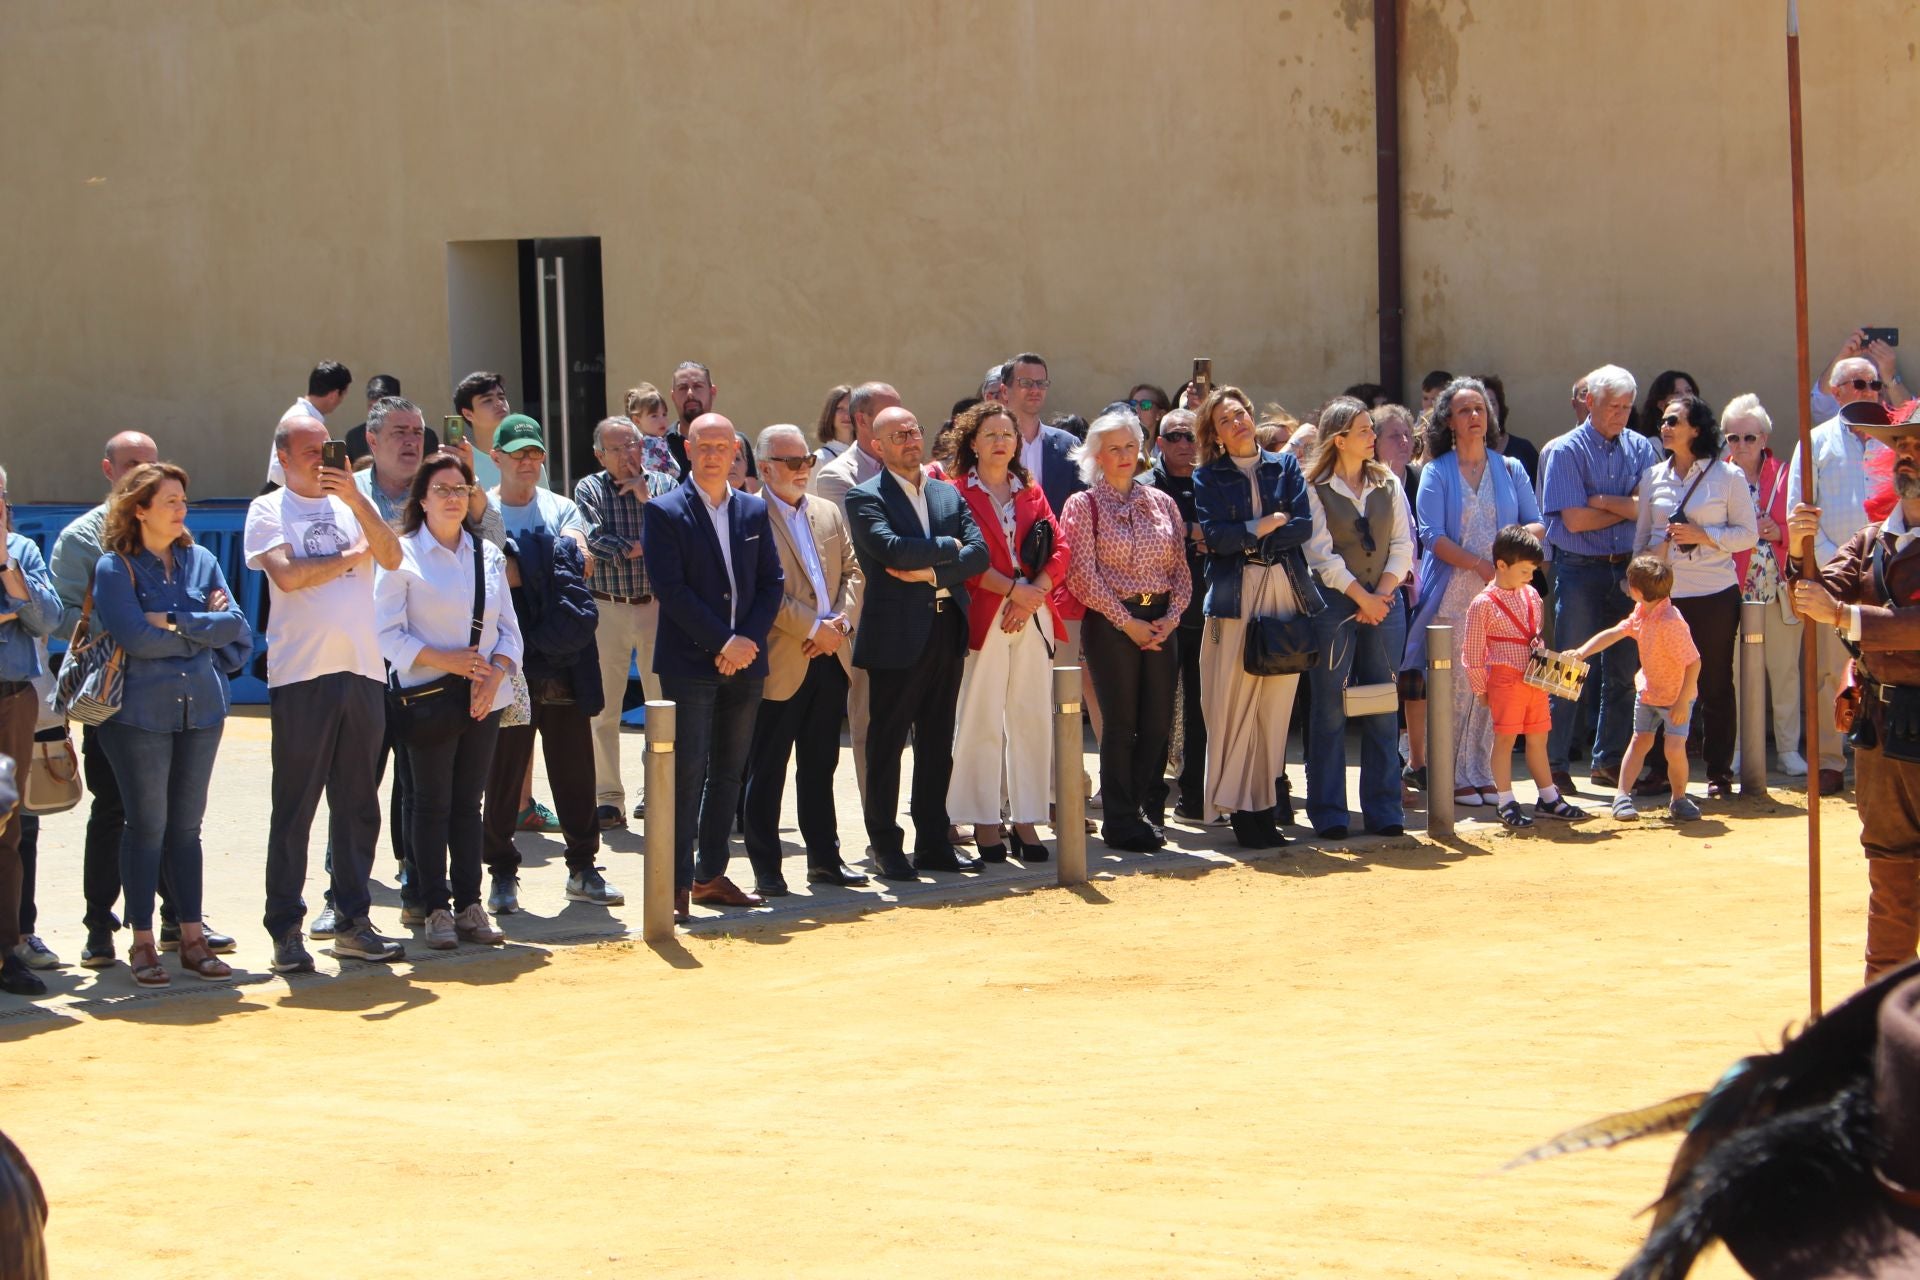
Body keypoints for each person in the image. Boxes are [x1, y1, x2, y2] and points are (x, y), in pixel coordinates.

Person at [246, 415, 409, 972]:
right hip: (302, 676)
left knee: (359, 806)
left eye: (328, 448)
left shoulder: (352, 505)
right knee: (295, 809)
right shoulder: (268, 509)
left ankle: (353, 922)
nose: (323, 459)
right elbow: (289, 576)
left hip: (362, 669)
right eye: (310, 451)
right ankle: (285, 929)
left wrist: (358, 504)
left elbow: (391, 556)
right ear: (283, 458)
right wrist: (351, 554)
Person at [47, 430, 212, 969]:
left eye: (151, 464)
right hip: (115, 692)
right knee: (116, 808)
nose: (143, 472)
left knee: (173, 813)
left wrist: (172, 625)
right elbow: (64, 617)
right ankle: (101, 925)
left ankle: (177, 919)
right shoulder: (81, 539)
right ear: (109, 471)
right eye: (132, 465)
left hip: (179, 691)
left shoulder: (182, 540)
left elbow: (223, 618)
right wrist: (126, 621)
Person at [90, 463, 252, 987]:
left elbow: (235, 626)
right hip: (137, 715)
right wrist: (199, 634)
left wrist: (176, 621)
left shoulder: (201, 560)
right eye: (170, 501)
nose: (182, 509)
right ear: (139, 509)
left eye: (183, 499)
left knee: (186, 829)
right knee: (146, 827)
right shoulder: (115, 567)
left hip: (201, 709)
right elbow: (134, 638)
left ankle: (192, 938)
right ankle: (141, 941)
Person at [1787, 400, 1920, 981]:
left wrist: (1844, 616)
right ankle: (1885, 1013)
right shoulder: (1871, 542)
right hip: (1882, 735)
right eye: (1902, 447)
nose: (1908, 456)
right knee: (1890, 875)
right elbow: (1813, 596)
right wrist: (1799, 548)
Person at [375, 452, 521, 949]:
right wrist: (448, 661)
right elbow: (386, 635)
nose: (453, 498)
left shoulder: (488, 554)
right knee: (430, 803)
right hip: (427, 696)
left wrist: (493, 675)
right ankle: (434, 906)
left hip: (483, 696)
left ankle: (469, 905)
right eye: (442, 489)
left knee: (468, 803)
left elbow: (510, 632)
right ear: (421, 498)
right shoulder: (401, 554)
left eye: (461, 489)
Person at [642, 415, 783, 918]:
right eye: (704, 446)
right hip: (690, 663)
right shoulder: (664, 511)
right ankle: (675, 883)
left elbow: (772, 582)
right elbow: (671, 589)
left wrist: (746, 641)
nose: (714, 455)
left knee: (728, 773)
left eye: (723, 446)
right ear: (688, 449)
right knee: (686, 772)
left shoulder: (753, 509)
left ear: (735, 454)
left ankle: (710, 875)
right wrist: (724, 641)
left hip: (746, 661)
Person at [845, 406, 990, 879]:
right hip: (896, 637)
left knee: (936, 742)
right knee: (887, 744)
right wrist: (949, 548)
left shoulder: (947, 493)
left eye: (914, 431)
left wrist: (930, 573)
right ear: (877, 446)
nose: (910, 440)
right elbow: (890, 549)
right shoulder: (865, 496)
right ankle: (886, 845)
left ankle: (933, 841)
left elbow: (980, 554)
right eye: (898, 435)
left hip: (947, 630)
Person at [1408, 376, 1546, 809]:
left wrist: (1511, 553)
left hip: (1504, 595)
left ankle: (1483, 771)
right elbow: (1431, 534)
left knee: (1496, 682)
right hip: (1454, 591)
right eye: (1464, 410)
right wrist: (1480, 564)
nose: (1474, 416)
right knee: (1457, 684)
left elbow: (1538, 522)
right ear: (1449, 420)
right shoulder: (1437, 471)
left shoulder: (1511, 468)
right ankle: (1450, 774)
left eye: (1480, 409)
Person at [740, 425, 866, 892]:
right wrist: (814, 628)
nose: (802, 470)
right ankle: (767, 869)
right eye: (792, 462)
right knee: (767, 768)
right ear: (765, 467)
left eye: (807, 460)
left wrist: (840, 626)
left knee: (821, 764)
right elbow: (758, 590)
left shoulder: (827, 511)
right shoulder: (748, 515)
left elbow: (853, 572)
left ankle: (824, 861)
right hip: (781, 659)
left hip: (830, 657)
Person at [948, 401, 1069, 864]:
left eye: (1008, 434)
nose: (1001, 442)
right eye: (991, 434)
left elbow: (1060, 549)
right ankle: (984, 821)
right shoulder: (954, 492)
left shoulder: (1031, 490)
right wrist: (1014, 592)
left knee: (1032, 717)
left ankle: (1027, 819)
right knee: (980, 718)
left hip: (1033, 612)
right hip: (986, 614)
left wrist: (1031, 594)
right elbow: (962, 559)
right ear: (973, 443)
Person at [1187, 389, 1307, 848]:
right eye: (1225, 420)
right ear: (1215, 434)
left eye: (1240, 413)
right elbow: (1216, 538)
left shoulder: (1285, 465)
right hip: (1233, 598)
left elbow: (1301, 526)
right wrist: (1262, 526)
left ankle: (1265, 808)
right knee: (1233, 706)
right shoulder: (1207, 476)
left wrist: (1251, 537)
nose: (1236, 422)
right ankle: (1240, 811)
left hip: (1283, 590)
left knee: (1274, 709)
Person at [1538, 364, 1662, 794]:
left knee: (1624, 670)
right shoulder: (1564, 450)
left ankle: (1608, 761)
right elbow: (1573, 520)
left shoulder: (1641, 448)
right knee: (1566, 666)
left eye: (1627, 407)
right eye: (1613, 406)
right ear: (1589, 402)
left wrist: (1603, 501)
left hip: (1628, 568)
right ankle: (1552, 763)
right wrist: (1625, 507)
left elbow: (1648, 509)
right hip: (1578, 568)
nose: (1620, 415)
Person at [1631, 394, 1757, 799]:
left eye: (1674, 421)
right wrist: (1639, 580)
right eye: (1663, 421)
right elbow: (1642, 538)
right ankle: (1659, 771)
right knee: (1659, 683)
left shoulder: (1728, 476)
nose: (1664, 427)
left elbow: (1748, 535)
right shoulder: (1653, 476)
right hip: (1663, 598)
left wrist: (1704, 535)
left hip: (1713, 593)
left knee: (1715, 683)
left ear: (1696, 429)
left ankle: (1719, 773)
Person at [1301, 397, 1415, 838]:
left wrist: (1381, 595)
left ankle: (1384, 809)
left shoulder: (1388, 481)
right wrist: (1361, 599)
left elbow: (1403, 545)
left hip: (1384, 603)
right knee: (1330, 708)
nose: (1372, 436)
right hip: (1335, 605)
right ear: (1340, 439)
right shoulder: (1315, 486)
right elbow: (1320, 555)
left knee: (1383, 704)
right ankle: (1330, 811)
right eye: (1364, 430)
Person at [1788, 354, 1896, 794]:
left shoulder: (1892, 441)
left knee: (1889, 669)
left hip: (1890, 576)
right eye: (1859, 384)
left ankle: (1887, 753)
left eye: (1875, 384)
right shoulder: (1814, 443)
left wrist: (1884, 565)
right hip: (1834, 578)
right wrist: (1841, 566)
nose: (1870, 391)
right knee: (1830, 675)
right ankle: (1829, 760)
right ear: (1836, 393)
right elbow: (1799, 513)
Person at [574, 415, 674, 830]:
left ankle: (657, 791)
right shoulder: (590, 488)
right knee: (603, 710)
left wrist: (648, 501)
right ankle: (607, 798)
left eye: (631, 444)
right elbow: (596, 539)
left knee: (661, 706)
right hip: (608, 607)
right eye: (615, 448)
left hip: (657, 607)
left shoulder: (664, 484)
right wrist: (648, 545)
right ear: (600, 455)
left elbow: (679, 533)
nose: (626, 454)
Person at [809, 380, 902, 802]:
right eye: (887, 414)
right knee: (871, 722)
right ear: (862, 421)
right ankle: (877, 817)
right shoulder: (836, 477)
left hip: (918, 613)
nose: (899, 424)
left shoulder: (916, 471)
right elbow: (869, 549)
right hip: (869, 617)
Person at [1461, 526, 1587, 828]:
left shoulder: (1531, 595)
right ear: (1501, 565)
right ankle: (1505, 800)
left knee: (1539, 737)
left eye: (1533, 571)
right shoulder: (1482, 603)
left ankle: (1548, 796)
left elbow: (1536, 634)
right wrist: (1480, 689)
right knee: (1505, 739)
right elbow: (1472, 654)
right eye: (1525, 571)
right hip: (1505, 679)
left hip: (1534, 679)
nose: (1530, 577)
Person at [1573, 555, 1702, 822]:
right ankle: (1622, 797)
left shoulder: (1671, 622)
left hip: (1676, 697)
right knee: (1640, 741)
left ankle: (1679, 799)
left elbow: (1694, 663)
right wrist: (1582, 652)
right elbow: (1614, 633)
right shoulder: (1641, 612)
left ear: (1636, 591)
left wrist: (1682, 701)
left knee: (1674, 748)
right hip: (1649, 692)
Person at [1722, 393, 1806, 776]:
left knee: (1785, 670)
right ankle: (1738, 749)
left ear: (1764, 439)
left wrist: (1780, 531)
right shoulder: (1716, 477)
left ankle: (1788, 750)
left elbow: (1805, 524)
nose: (1741, 445)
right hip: (1731, 590)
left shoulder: (1787, 475)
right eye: (1733, 437)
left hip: (1778, 588)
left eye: (1749, 437)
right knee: (1735, 675)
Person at [0, 471, 59, 996]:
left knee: (7, 829)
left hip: (11, 702)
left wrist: (5, 565)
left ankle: (6, 953)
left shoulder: (22, 552)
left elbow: (45, 621)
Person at [1143, 408, 1209, 821]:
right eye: (1176, 436)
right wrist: (1193, 533)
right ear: (1160, 444)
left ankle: (1195, 797)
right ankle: (1150, 803)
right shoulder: (1146, 487)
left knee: (1202, 708)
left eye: (1192, 436)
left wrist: (1201, 534)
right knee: (1157, 708)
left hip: (1207, 609)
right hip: (1159, 612)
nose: (1185, 444)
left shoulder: (1213, 483)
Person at [1373, 404, 1428, 788]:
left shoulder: (1421, 478)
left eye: (1408, 434)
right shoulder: (1370, 482)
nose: (1405, 441)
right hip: (1379, 594)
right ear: (1374, 441)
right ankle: (1388, 768)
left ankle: (1416, 763)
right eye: (1395, 435)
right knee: (1383, 684)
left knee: (1414, 682)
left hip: (1418, 594)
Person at [264, 359, 352, 487]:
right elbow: (279, 471)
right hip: (289, 494)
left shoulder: (305, 415)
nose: (341, 401)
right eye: (342, 395)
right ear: (334, 395)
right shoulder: (300, 419)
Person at [344, 374, 438, 466]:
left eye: (381, 408)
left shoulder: (426, 438)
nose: (375, 413)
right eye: (371, 407)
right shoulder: (354, 438)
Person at [452, 370, 515, 491]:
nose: (499, 403)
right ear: (468, 414)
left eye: (501, 397)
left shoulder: (528, 458)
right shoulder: (461, 462)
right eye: (487, 400)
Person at [665, 361, 719, 477]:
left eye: (698, 386)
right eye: (682, 388)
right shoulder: (659, 446)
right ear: (673, 396)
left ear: (712, 392)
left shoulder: (731, 441)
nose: (690, 393)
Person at [624, 383, 681, 482]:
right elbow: (673, 471)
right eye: (654, 416)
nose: (662, 420)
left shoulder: (658, 441)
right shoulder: (649, 445)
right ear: (637, 420)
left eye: (664, 414)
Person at [1633, 369, 1703, 439]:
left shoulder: (1704, 434)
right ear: (1661, 404)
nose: (1685, 396)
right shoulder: (1652, 444)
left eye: (1689, 391)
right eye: (1677, 393)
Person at [814, 384, 855, 464]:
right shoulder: (820, 459)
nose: (847, 415)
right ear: (830, 413)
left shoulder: (868, 455)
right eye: (840, 408)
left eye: (851, 408)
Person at [1128, 383, 1172, 448]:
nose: (1136, 409)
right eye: (1133, 404)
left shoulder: (1168, 451)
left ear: (1160, 414)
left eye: (1145, 405)